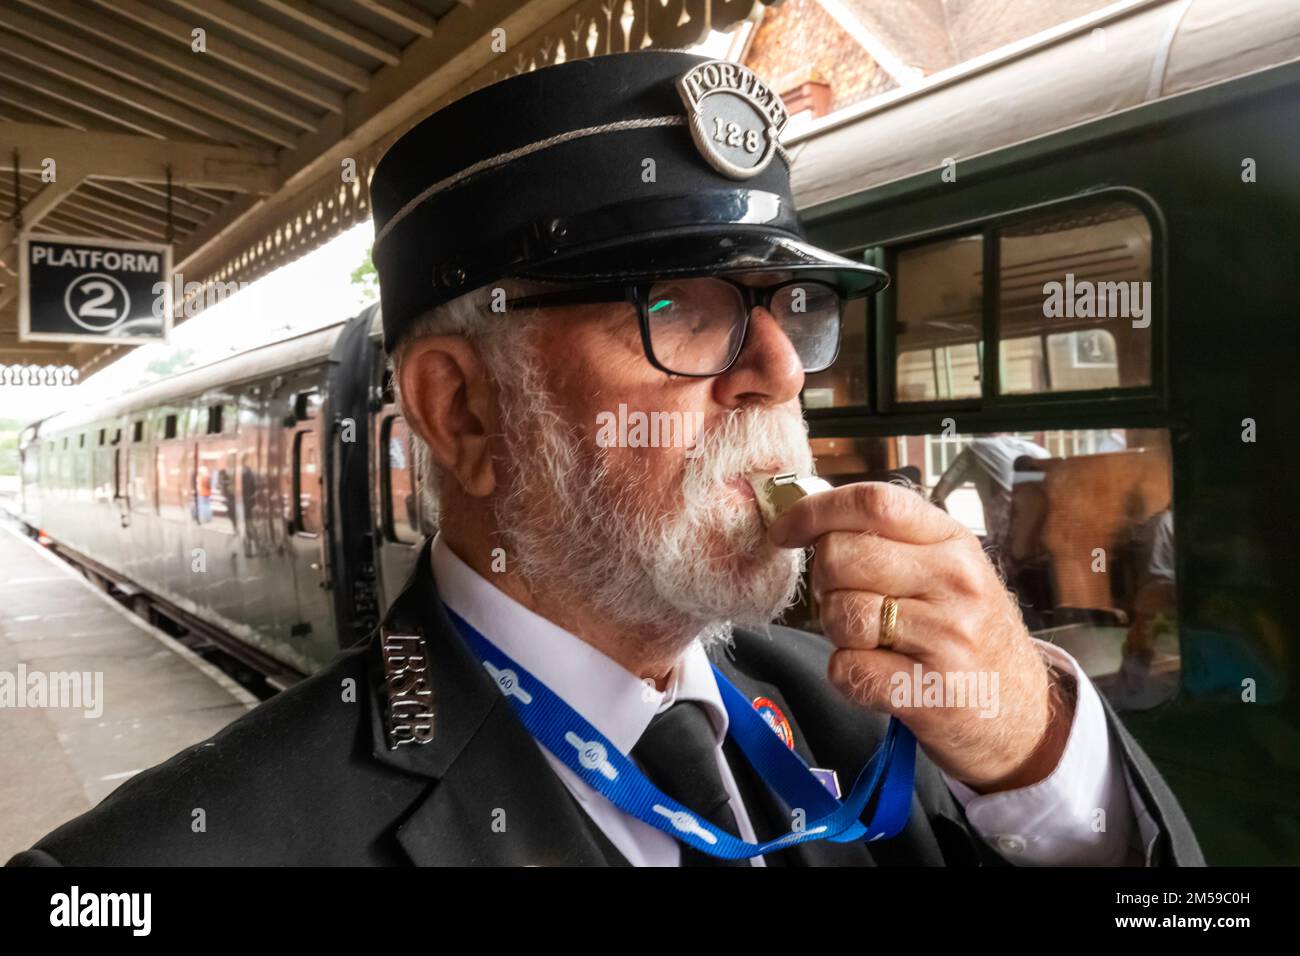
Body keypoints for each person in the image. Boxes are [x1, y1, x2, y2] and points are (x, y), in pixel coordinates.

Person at [8, 51, 1200, 867]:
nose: (781, 370)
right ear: (462, 410)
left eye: (788, 302)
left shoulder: (863, 714)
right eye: (678, 306)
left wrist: (1036, 753)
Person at [930, 434, 1050, 575]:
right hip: (1048, 553)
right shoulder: (1038, 451)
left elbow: (937, 495)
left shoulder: (976, 448)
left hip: (1006, 559)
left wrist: (953, 541)